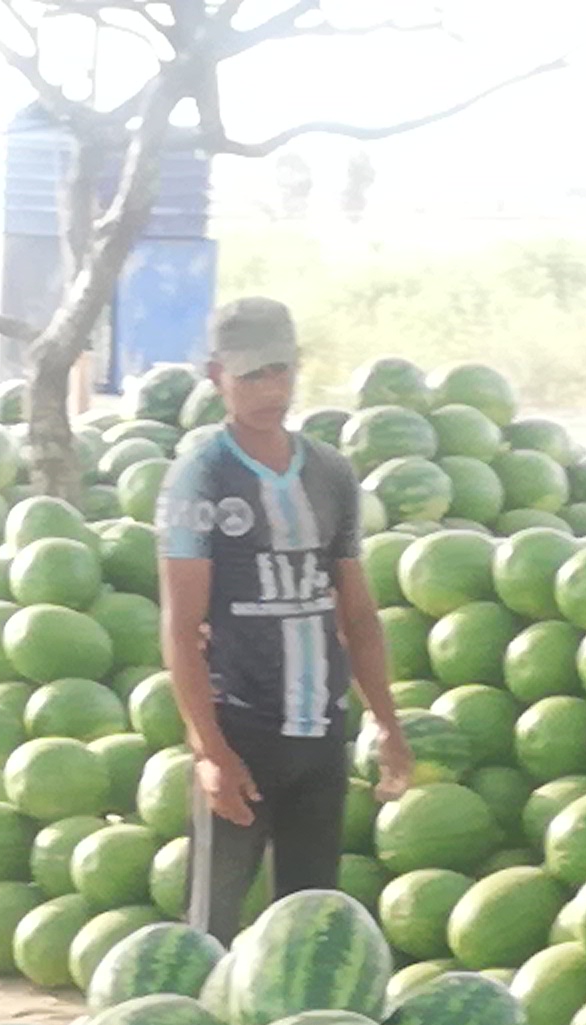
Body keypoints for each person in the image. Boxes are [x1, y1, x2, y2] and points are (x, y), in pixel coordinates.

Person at [156, 292, 411, 942]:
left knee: (308, 932)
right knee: (207, 931)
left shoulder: (330, 472)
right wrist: (211, 752)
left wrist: (386, 721)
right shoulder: (201, 478)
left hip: (320, 737)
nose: (271, 390)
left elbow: (358, 614)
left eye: (281, 371)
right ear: (217, 376)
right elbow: (181, 629)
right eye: (251, 376)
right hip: (242, 733)